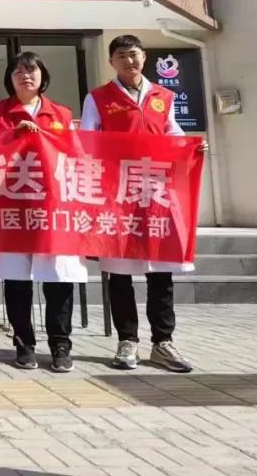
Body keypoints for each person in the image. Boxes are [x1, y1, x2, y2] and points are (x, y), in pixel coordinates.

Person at [81, 34, 196, 373]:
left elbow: (173, 134)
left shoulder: (164, 96)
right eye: (121, 56)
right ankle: (127, 340)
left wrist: (191, 148)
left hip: (157, 194)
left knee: (160, 272)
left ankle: (163, 342)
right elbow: (88, 142)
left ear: (144, 57)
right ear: (111, 62)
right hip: (118, 195)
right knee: (119, 273)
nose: (129, 61)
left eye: (133, 54)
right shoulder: (98, 98)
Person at [0, 51, 85, 373]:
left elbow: (76, 156)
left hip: (52, 207)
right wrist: (11, 137)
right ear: (9, 78)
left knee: (58, 279)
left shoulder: (61, 114)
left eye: (31, 70)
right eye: (18, 71)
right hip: (10, 206)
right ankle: (24, 344)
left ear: (43, 76)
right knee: (16, 280)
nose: (25, 76)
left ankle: (61, 345)